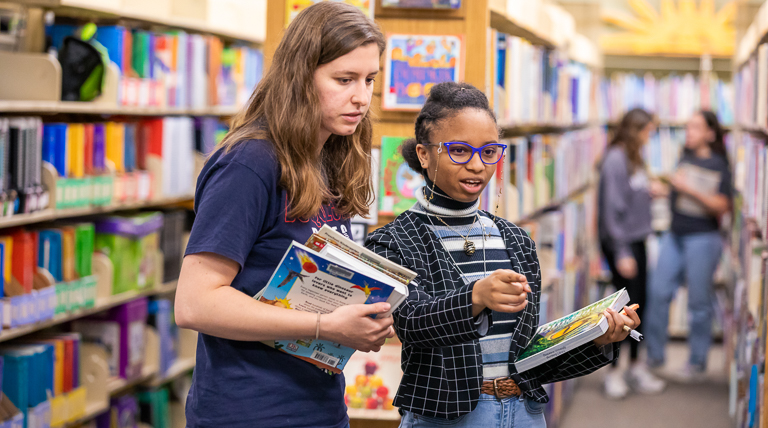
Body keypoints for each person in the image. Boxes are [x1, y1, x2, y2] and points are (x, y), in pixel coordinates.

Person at [365, 81, 640, 428]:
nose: (477, 165)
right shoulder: (393, 240)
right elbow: (411, 323)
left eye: (489, 151)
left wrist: (596, 339)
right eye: (460, 151)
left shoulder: (515, 239)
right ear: (424, 154)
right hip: (446, 418)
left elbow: (529, 357)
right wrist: (475, 297)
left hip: (524, 413)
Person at [173, 3, 394, 427]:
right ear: (300, 77)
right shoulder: (250, 164)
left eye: (369, 80)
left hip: (319, 407)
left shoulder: (328, 155)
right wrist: (323, 326)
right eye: (343, 79)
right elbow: (194, 303)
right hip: (249, 412)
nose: (361, 97)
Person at [645, 110, 732, 382]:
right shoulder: (685, 156)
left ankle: (697, 362)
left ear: (710, 133)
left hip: (703, 238)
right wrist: (666, 190)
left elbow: (722, 206)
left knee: (698, 302)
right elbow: (679, 193)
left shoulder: (720, 165)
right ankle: (655, 356)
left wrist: (687, 188)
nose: (689, 132)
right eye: (688, 127)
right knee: (658, 292)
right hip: (675, 234)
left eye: (696, 127)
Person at [597, 108, 667, 398]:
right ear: (635, 130)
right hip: (622, 243)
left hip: (637, 239)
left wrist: (648, 191)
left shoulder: (634, 156)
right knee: (623, 312)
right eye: (647, 131)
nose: (650, 137)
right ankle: (613, 371)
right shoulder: (615, 158)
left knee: (639, 306)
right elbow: (612, 211)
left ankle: (635, 366)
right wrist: (622, 251)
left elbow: (630, 193)